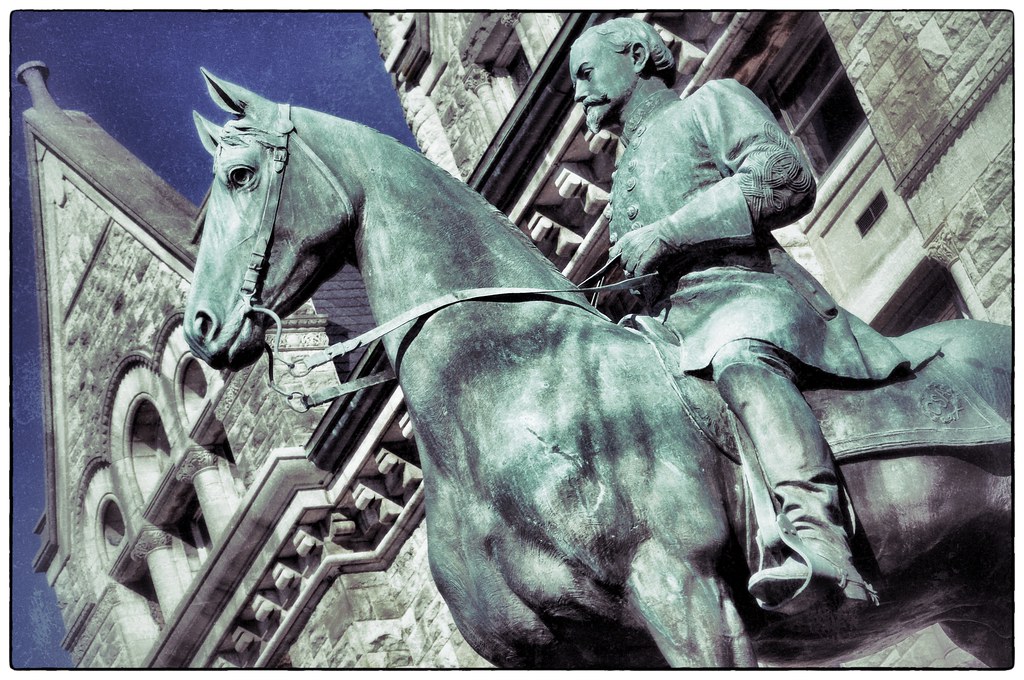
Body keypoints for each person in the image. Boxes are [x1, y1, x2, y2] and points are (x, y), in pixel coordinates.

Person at [569, 18, 930, 613]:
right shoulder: (622, 180)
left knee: (738, 357)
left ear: (635, 56)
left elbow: (786, 178)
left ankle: (817, 534)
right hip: (676, 332)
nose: (579, 91)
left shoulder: (709, 105)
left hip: (750, 300)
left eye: (586, 72)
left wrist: (668, 233)